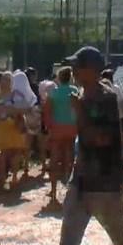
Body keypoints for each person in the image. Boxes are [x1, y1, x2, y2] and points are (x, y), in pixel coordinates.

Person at [37, 46, 123, 245]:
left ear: (91, 70)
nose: (73, 70)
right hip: (82, 178)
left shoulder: (105, 98)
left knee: (118, 235)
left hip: (105, 181)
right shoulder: (83, 95)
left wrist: (80, 112)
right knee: (68, 238)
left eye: (78, 66)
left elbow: (102, 138)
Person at [45, 67, 78, 201]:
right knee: (69, 157)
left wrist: (49, 127)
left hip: (57, 128)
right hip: (71, 127)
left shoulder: (53, 93)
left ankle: (53, 190)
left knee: (54, 158)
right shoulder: (74, 91)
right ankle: (69, 186)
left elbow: (47, 111)